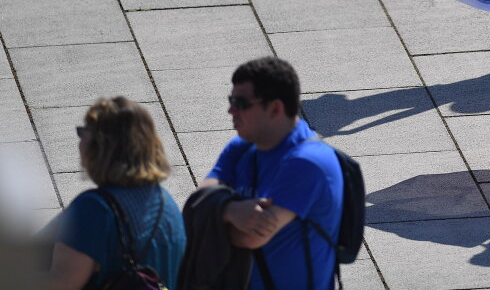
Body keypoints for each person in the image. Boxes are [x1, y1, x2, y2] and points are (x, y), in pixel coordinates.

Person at [201, 57, 342, 290]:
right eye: (231, 100)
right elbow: (199, 199)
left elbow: (251, 237)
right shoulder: (242, 147)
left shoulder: (308, 163)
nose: (231, 110)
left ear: (275, 108)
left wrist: (209, 220)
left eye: (241, 103)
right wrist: (231, 210)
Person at [45, 97, 185, 290]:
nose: (80, 139)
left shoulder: (94, 210)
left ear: (101, 147)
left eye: (84, 132)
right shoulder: (167, 204)